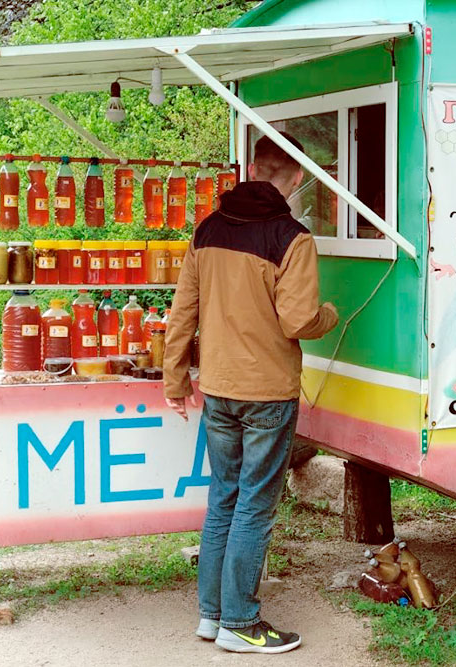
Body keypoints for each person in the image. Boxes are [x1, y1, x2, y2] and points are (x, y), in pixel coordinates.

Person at [163, 131, 339, 654]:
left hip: (217, 388)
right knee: (255, 506)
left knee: (223, 499)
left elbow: (181, 316)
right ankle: (241, 621)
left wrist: (176, 381)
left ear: (251, 167)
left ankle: (212, 616)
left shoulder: (208, 230)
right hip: (267, 393)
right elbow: (300, 318)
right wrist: (330, 314)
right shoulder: (294, 238)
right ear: (297, 178)